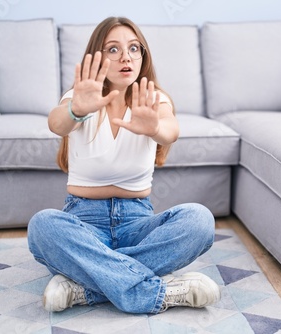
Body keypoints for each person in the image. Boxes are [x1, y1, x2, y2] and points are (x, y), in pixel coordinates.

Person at [27, 16, 221, 314]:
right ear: (98, 56)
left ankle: (85, 286)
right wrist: (76, 109)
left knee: (200, 220)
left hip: (137, 222)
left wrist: (155, 128)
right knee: (42, 226)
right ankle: (157, 291)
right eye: (113, 49)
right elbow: (57, 123)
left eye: (134, 48)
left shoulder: (154, 99)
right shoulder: (81, 97)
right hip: (83, 222)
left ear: (143, 56)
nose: (126, 56)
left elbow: (172, 131)